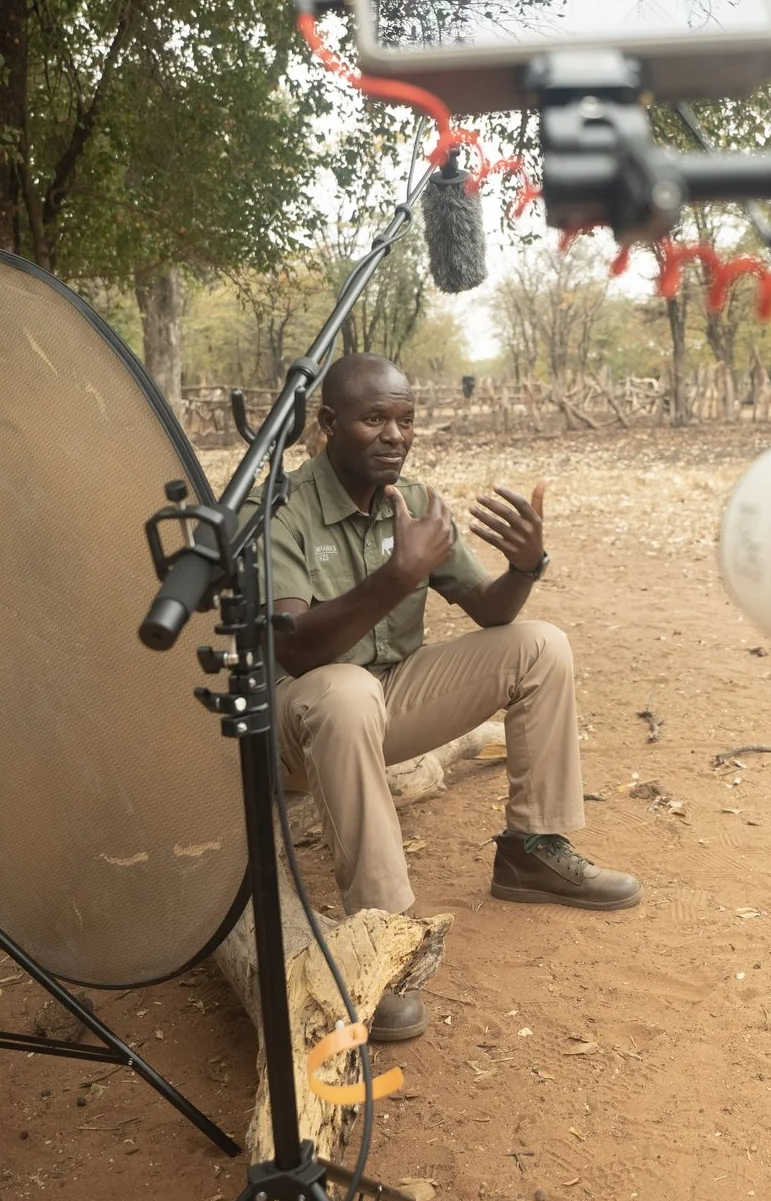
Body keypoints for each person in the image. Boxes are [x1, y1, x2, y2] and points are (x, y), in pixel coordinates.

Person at [261, 353, 639, 1043]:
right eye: (374, 418)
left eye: (406, 420)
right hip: (296, 724)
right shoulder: (284, 510)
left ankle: (532, 848)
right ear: (328, 424)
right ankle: (383, 939)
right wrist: (395, 576)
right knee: (345, 693)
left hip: (387, 700)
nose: (395, 435)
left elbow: (491, 612)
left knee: (540, 643)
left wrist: (526, 567)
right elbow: (297, 649)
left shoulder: (420, 504)